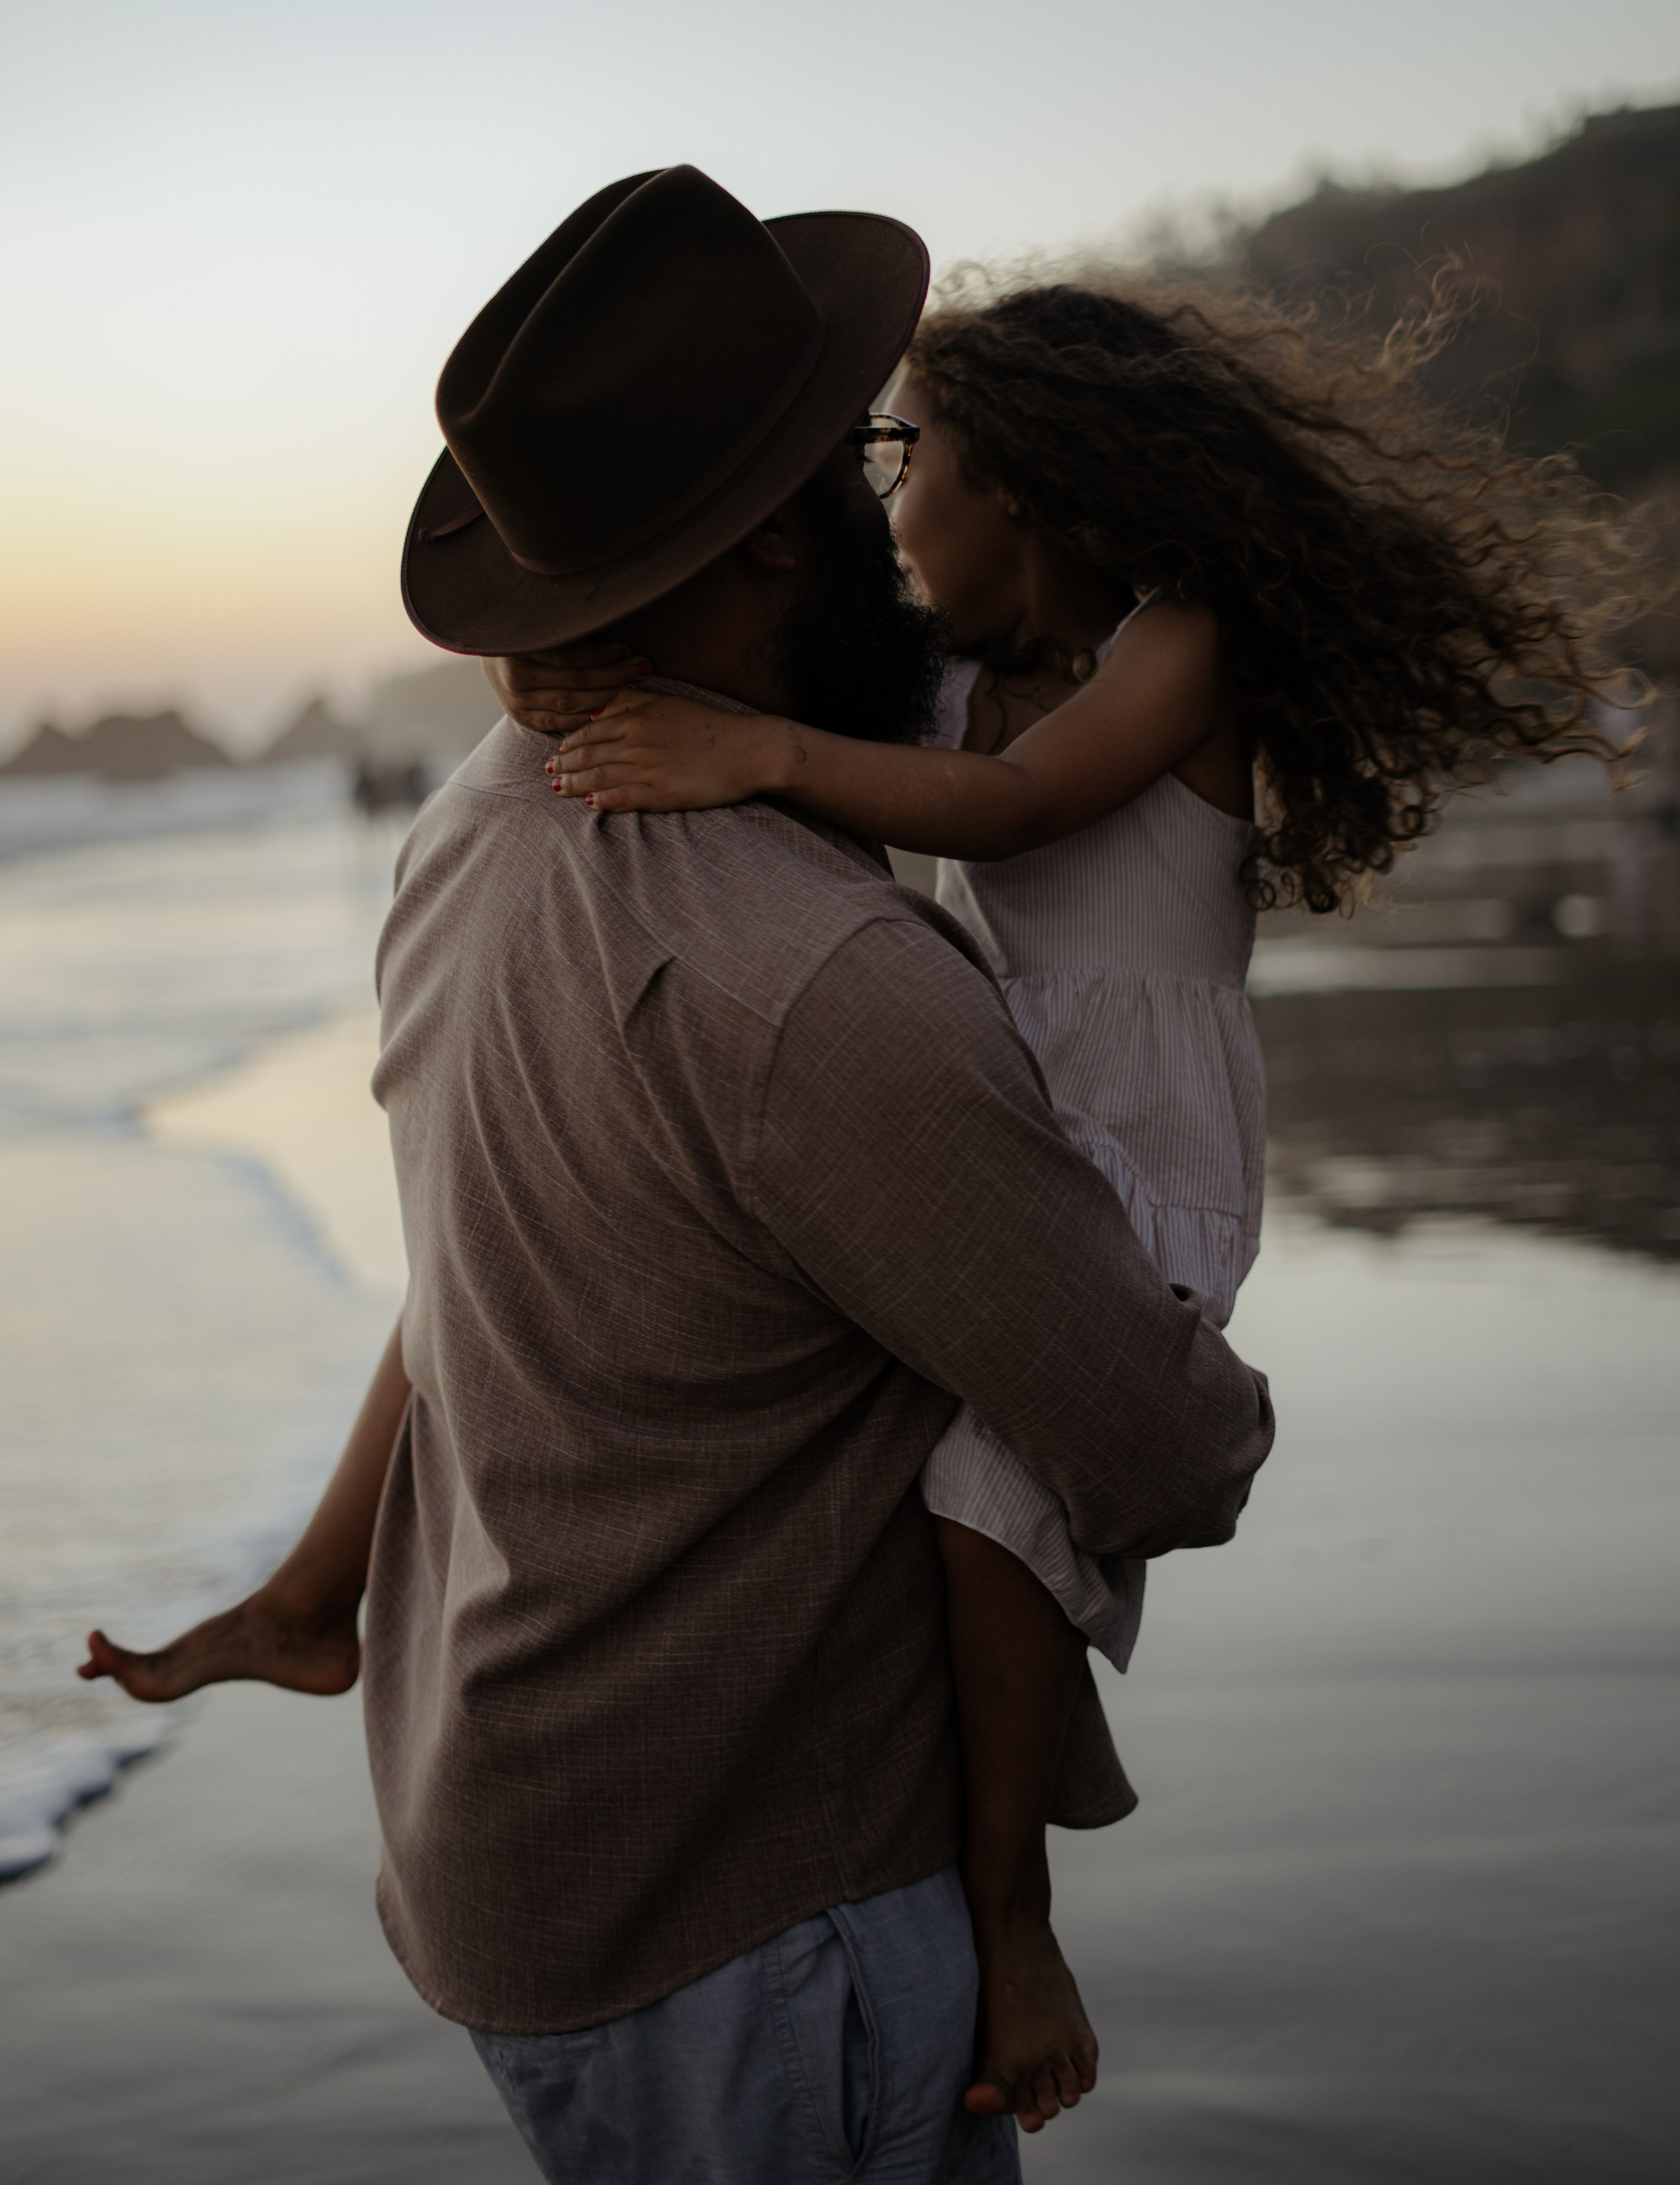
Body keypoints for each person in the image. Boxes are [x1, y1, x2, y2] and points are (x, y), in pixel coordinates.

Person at [80, 167, 1277, 2183]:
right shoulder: (809, 978)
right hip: (762, 1922)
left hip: (518, 1847)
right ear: (773, 547)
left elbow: (472, 1276)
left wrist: (312, 1582)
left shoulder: (473, 825)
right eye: (864, 469)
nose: (898, 522)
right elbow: (1161, 1454)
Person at [483, 262, 1635, 2133]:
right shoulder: (954, 680)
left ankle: (1013, 1921)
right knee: (938, 1501)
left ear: (1014, 478)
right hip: (1019, 1129)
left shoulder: (1181, 643)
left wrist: (758, 751)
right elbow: (803, 706)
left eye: (909, 456)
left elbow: (1018, 810)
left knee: (990, 1514)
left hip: (1147, 1150)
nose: (886, 504)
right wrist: (574, 675)